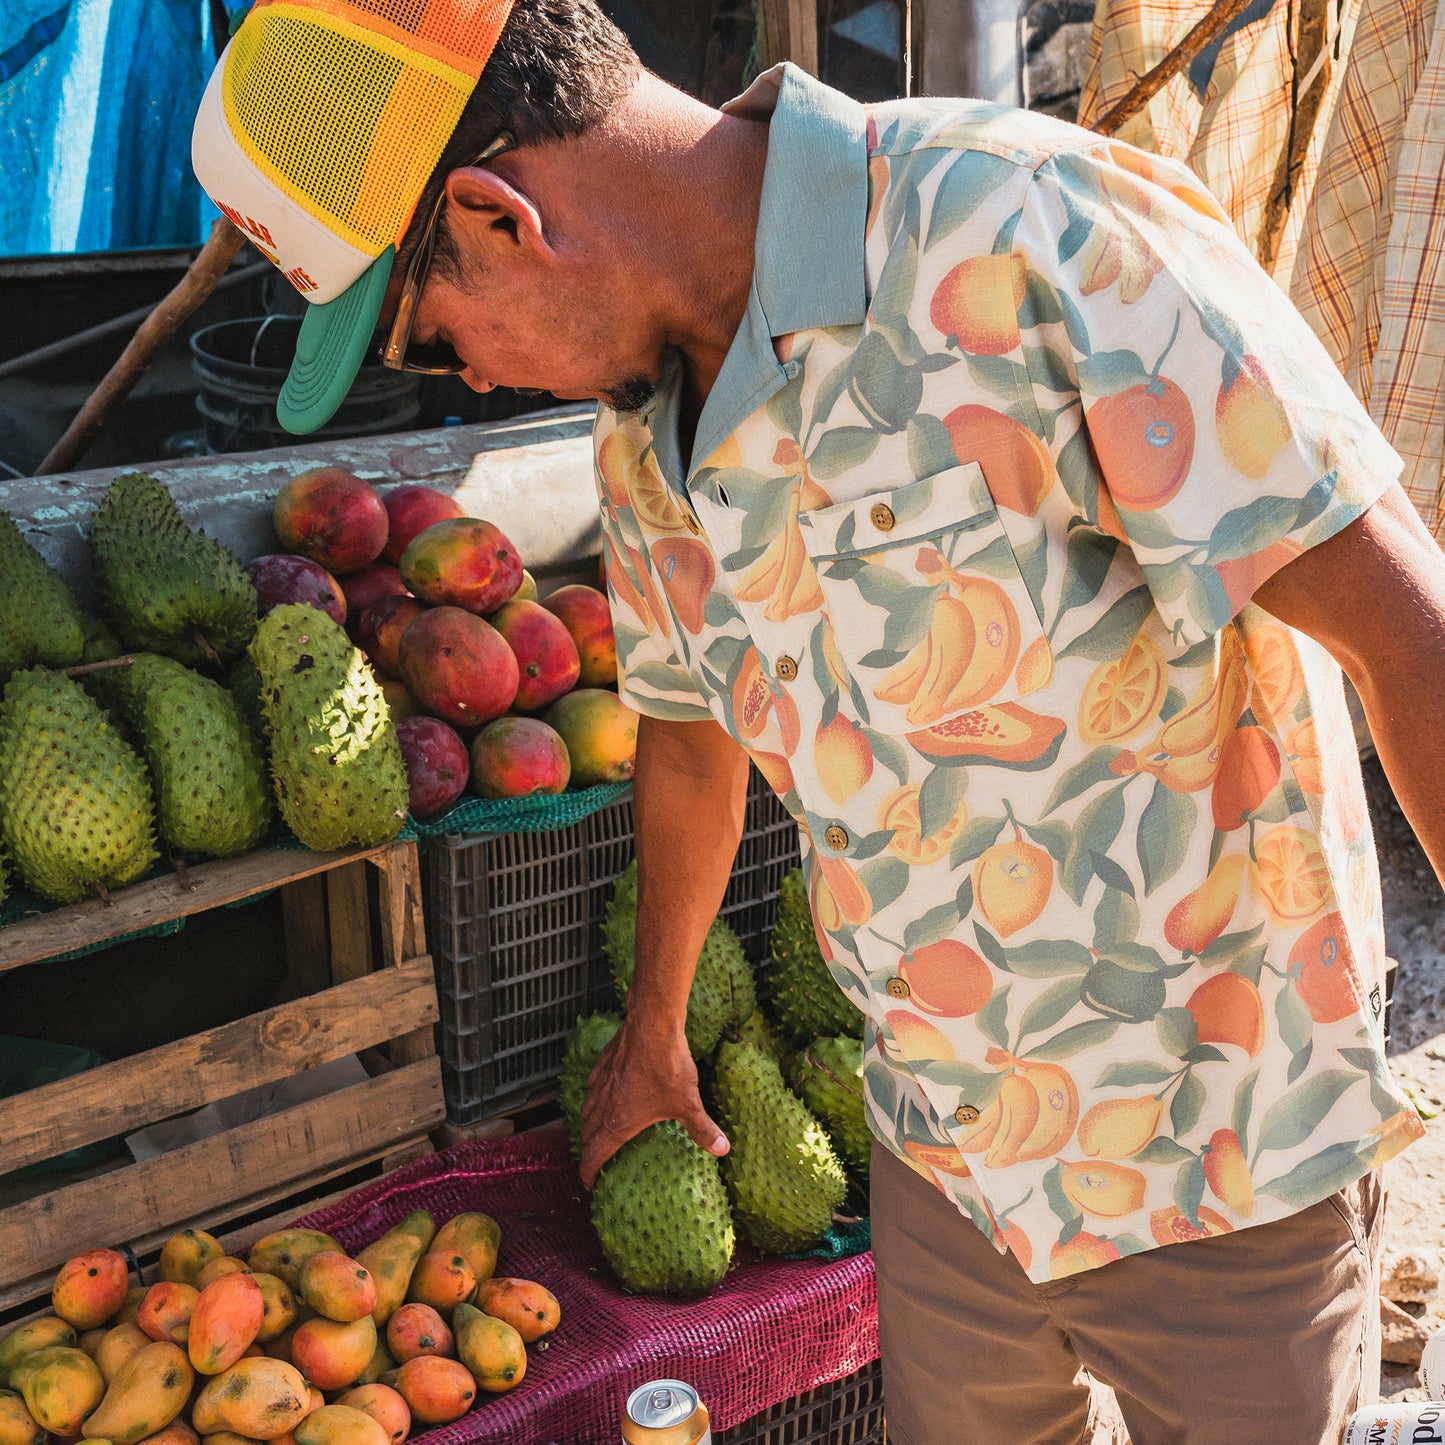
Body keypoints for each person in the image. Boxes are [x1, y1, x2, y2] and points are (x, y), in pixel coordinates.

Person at [191, 2, 1445, 1439]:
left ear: (494, 214)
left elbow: (1403, 632)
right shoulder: (641, 452)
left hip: (1223, 1148)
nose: (466, 377)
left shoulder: (1022, 234)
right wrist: (653, 1026)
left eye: (431, 335)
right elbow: (686, 735)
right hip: (943, 1148)